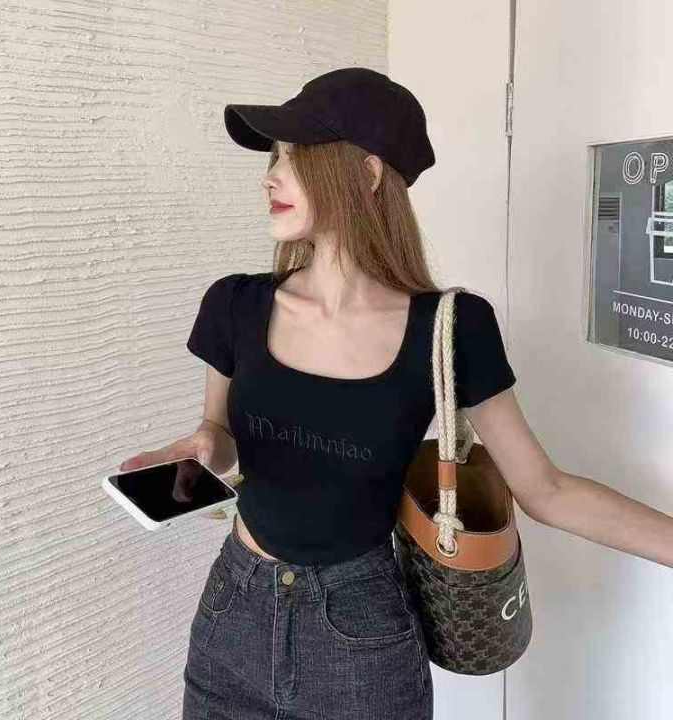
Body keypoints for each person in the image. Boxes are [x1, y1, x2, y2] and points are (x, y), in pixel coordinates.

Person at [118, 68, 673, 719]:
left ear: (368, 173)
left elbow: (545, 490)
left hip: (359, 638)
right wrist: (199, 449)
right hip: (232, 620)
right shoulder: (234, 304)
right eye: (274, 159)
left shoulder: (451, 327)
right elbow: (221, 437)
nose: (270, 177)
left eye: (295, 157)